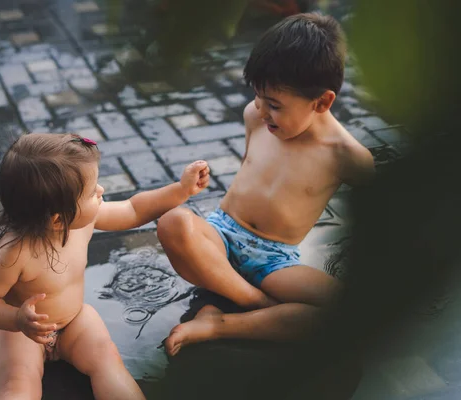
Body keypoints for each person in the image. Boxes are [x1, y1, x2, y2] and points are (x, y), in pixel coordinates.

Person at [157, 12, 375, 356]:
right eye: (258, 96)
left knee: (348, 313)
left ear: (322, 102)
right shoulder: (255, 118)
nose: (260, 110)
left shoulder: (347, 155)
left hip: (274, 261)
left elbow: (383, 213)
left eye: (273, 105)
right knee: (173, 222)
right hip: (221, 236)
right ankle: (257, 303)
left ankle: (219, 323)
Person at [0, 132, 210, 399]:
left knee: (107, 359)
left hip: (72, 322)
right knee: (19, 384)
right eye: (92, 191)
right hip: (21, 334)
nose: (101, 191)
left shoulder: (81, 222)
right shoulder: (14, 252)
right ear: (58, 219)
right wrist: (16, 319)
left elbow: (133, 209)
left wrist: (181, 190)